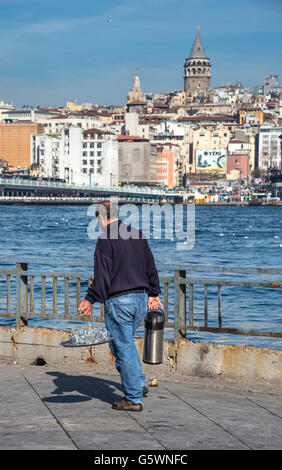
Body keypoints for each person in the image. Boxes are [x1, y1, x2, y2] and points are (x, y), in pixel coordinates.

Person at [78, 201, 163, 412]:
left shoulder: (105, 239)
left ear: (101, 217)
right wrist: (153, 294)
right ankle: (139, 382)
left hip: (119, 301)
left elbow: (102, 277)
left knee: (122, 347)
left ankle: (133, 398)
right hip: (140, 300)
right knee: (122, 344)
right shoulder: (137, 234)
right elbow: (150, 267)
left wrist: (89, 299)